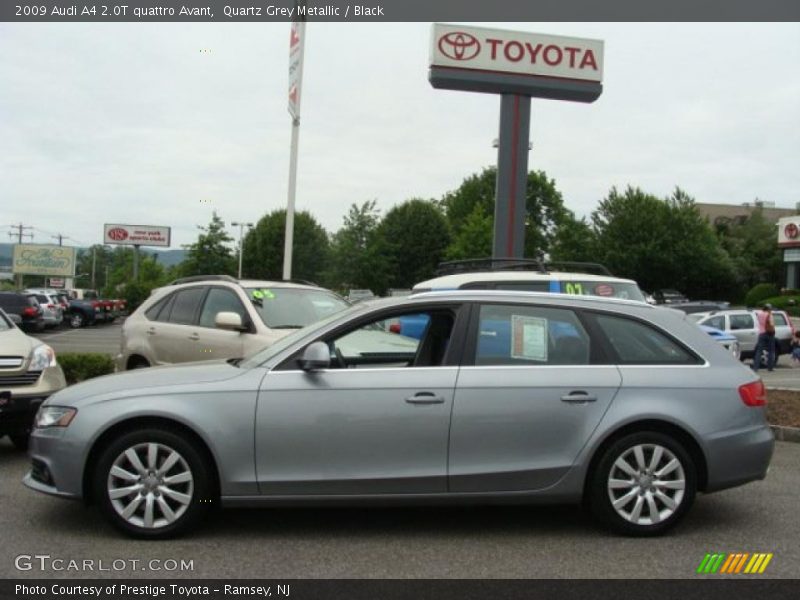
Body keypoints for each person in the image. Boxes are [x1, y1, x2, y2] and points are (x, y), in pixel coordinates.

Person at [752, 304, 776, 372]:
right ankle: (770, 367)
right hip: (769, 333)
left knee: (759, 351)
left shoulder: (759, 314)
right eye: (770, 309)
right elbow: (771, 324)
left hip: (761, 333)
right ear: (768, 309)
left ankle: (755, 367)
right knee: (771, 351)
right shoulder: (769, 315)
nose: (771, 310)